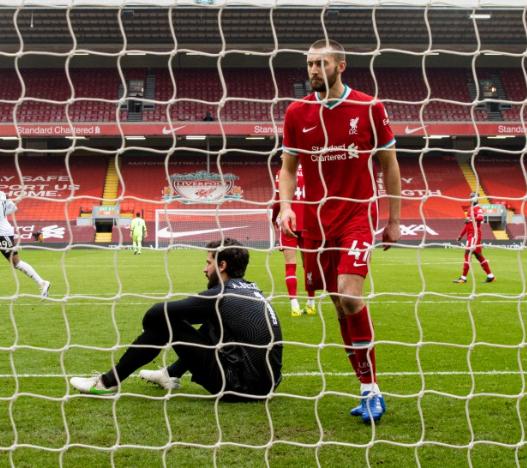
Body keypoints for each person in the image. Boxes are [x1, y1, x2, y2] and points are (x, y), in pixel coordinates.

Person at [279, 39, 402, 424]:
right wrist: (285, 207)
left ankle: (371, 391)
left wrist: (394, 219)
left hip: (356, 216)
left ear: (341, 66)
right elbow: (287, 167)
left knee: (351, 297)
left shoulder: (369, 107)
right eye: (310, 63)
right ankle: (366, 387)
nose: (313, 70)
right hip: (315, 222)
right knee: (336, 304)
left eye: (321, 63)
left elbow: (389, 163)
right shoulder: (297, 112)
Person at [70, 238, 282, 401]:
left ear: (222, 266)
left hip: (238, 386)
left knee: (165, 323)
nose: (204, 269)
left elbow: (157, 312)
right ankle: (170, 375)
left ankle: (107, 383)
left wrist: (154, 332)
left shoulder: (222, 294)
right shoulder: (254, 290)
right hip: (266, 386)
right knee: (213, 322)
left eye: (208, 263)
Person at [0, 171, 50, 305]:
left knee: (16, 263)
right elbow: (13, 208)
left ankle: (42, 282)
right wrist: (1, 214)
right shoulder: (2, 194)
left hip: (3, 234)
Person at [271, 161, 316, 317]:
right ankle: (311, 304)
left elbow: (278, 199)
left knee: (290, 266)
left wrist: (273, 216)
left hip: (289, 223)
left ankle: (294, 306)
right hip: (309, 223)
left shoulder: (282, 172)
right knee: (308, 265)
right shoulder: (312, 169)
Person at [453, 192, 496, 284]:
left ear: (477, 199)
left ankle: (463, 278)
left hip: (474, 235)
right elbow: (467, 224)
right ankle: (490, 276)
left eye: (473, 197)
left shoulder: (478, 208)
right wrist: (461, 235)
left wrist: (471, 219)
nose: (471, 198)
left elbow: (481, 218)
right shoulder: (470, 209)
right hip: (470, 235)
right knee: (479, 255)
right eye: (470, 197)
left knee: (467, 253)